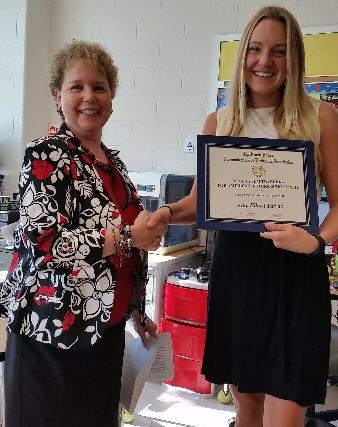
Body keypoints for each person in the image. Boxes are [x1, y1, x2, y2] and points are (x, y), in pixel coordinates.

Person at [148, 6, 338, 427]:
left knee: (285, 416)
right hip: (238, 276)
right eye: (254, 49)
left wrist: (317, 242)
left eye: (278, 51)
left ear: (294, 59)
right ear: (243, 57)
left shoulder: (321, 117)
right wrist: (163, 213)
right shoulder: (221, 122)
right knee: (246, 410)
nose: (264, 62)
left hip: (296, 278)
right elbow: (200, 201)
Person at [0, 40, 166, 427]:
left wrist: (137, 309)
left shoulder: (114, 165)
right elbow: (47, 244)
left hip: (105, 332)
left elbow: (129, 245)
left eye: (99, 87)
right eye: (77, 87)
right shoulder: (47, 154)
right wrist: (127, 236)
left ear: (112, 98)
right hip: (51, 331)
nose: (89, 97)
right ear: (58, 96)